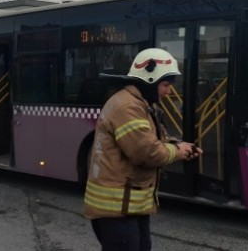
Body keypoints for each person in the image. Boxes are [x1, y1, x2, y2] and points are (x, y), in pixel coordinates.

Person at [84, 48, 202, 251]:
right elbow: (145, 151)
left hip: (131, 206)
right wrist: (178, 152)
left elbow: (156, 139)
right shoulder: (127, 106)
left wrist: (179, 145)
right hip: (116, 210)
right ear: (149, 81)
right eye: (165, 85)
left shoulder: (142, 103)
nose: (169, 91)